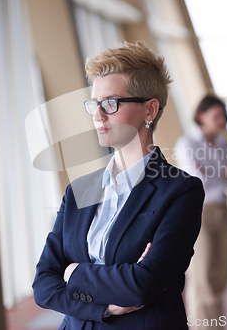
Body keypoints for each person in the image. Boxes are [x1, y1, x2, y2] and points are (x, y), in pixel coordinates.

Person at [32, 41, 205, 330]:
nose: (98, 115)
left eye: (111, 104)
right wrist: (105, 308)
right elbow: (43, 284)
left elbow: (142, 285)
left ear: (150, 110)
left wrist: (73, 272)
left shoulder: (180, 191)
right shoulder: (79, 191)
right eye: (94, 104)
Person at [174, 95, 227, 329]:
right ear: (201, 116)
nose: (222, 121)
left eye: (224, 116)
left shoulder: (222, 144)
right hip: (198, 213)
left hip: (222, 210)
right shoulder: (187, 144)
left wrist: (214, 173)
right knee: (202, 280)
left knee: (219, 280)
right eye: (216, 116)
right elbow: (198, 179)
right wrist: (222, 174)